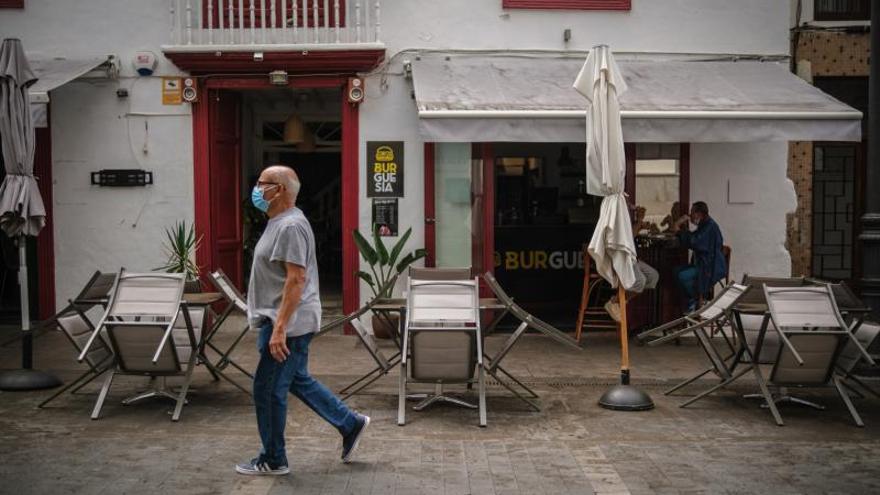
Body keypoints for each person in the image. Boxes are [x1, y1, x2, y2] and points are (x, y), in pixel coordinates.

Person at [236, 165, 369, 476]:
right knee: (296, 379)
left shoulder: (291, 226)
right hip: (281, 318)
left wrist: (279, 329)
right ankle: (350, 423)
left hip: (288, 322)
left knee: (267, 390)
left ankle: (273, 459)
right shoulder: (277, 222)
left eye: (261, 183)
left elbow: (296, 279)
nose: (256, 188)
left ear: (279, 189)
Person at [604, 203, 660, 322]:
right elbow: (628, 238)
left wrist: (641, 225)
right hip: (621, 260)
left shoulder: (624, 219)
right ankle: (613, 302)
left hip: (632, 258)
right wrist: (639, 221)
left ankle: (620, 300)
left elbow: (630, 234)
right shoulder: (615, 219)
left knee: (653, 276)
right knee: (640, 281)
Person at [674, 201, 727, 312]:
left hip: (708, 267)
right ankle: (690, 300)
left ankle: (694, 299)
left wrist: (678, 228)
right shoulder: (705, 225)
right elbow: (694, 237)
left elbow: (695, 242)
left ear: (699, 214)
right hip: (703, 263)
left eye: (692, 212)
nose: (690, 215)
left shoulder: (710, 226)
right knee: (676, 271)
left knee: (683, 276)